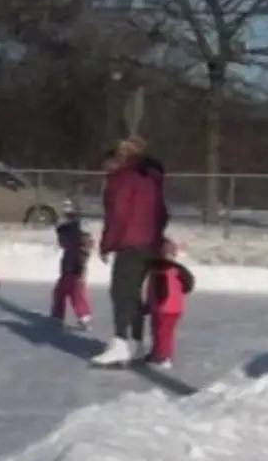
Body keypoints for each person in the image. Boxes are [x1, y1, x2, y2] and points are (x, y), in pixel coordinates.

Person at [93, 135, 171, 368]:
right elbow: (163, 211)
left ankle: (120, 342)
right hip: (150, 242)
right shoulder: (151, 176)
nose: (105, 169)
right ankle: (136, 341)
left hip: (131, 242)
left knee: (121, 291)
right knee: (134, 294)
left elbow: (117, 214)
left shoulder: (122, 178)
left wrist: (107, 244)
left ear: (119, 158)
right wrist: (157, 235)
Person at [143, 241, 195, 371]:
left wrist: (155, 303)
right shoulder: (167, 270)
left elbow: (161, 291)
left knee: (163, 333)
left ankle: (164, 356)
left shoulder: (164, 270)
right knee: (157, 331)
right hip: (164, 308)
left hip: (166, 308)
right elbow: (187, 285)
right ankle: (157, 353)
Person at [50, 197, 93, 330]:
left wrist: (80, 263)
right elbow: (64, 244)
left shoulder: (79, 228)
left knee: (76, 293)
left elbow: (86, 245)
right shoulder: (67, 230)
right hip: (68, 267)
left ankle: (84, 317)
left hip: (76, 267)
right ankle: (57, 317)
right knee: (60, 292)